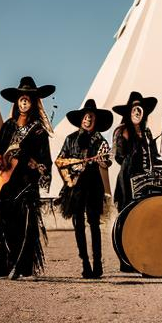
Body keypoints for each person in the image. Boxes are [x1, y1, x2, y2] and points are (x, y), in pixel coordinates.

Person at [0, 76, 54, 280]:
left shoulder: (39, 131)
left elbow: (45, 163)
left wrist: (33, 164)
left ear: (33, 102)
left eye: (27, 99)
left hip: (26, 183)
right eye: (21, 98)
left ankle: (22, 266)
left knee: (25, 225)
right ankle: (0, 263)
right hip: (6, 183)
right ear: (17, 102)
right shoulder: (8, 126)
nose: (24, 102)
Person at [55, 99, 113, 279]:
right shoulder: (70, 139)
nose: (88, 119)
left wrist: (103, 161)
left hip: (94, 184)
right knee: (78, 224)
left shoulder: (100, 141)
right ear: (81, 119)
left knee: (94, 224)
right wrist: (72, 173)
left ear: (95, 120)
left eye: (91, 116)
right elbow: (60, 161)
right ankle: (85, 262)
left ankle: (97, 263)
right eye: (86, 116)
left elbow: (107, 161)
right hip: (75, 187)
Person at [112, 91, 161, 212]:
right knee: (129, 213)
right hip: (129, 180)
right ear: (129, 113)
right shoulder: (122, 131)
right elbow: (119, 157)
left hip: (148, 181)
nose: (137, 112)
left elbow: (154, 155)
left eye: (139, 110)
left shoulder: (147, 133)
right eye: (134, 110)